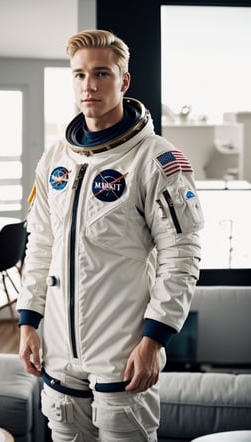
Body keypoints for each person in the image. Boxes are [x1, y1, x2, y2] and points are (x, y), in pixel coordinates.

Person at [17, 29, 204, 442]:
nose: (90, 86)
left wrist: (154, 340)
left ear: (124, 80)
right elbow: (41, 246)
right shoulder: (54, 160)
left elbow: (182, 254)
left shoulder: (155, 158)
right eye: (80, 75)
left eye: (102, 73)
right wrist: (28, 321)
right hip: (59, 352)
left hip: (124, 350)